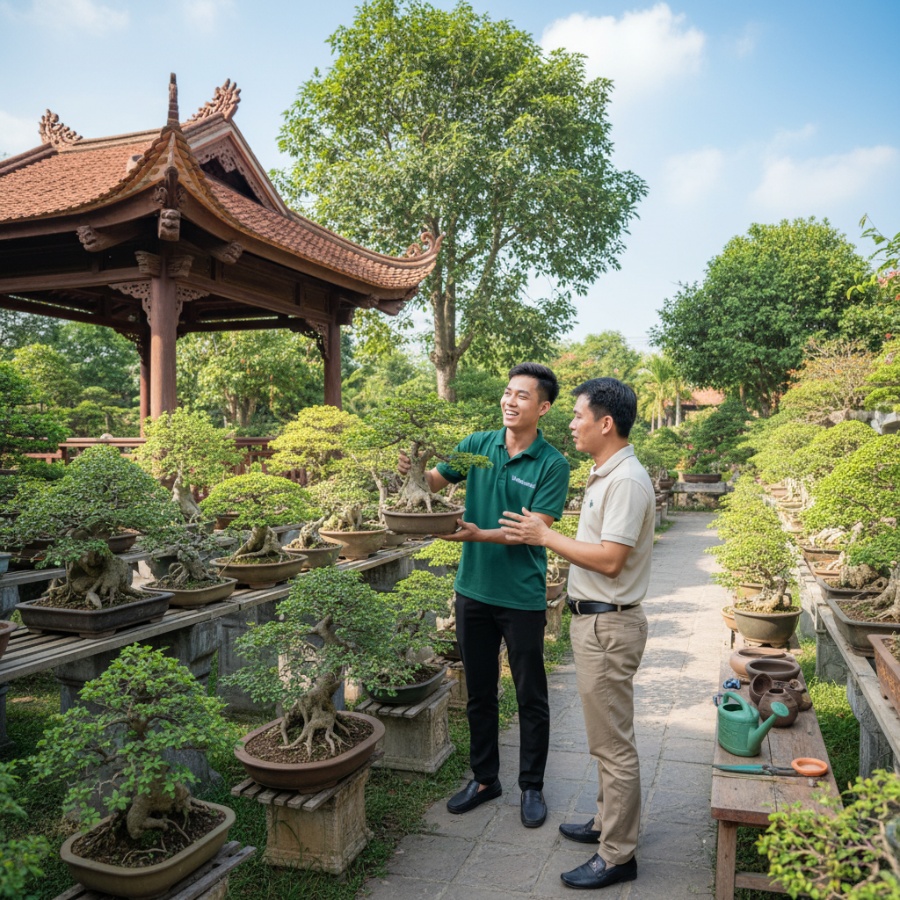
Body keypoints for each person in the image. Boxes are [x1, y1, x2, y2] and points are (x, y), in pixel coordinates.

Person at [500, 377, 654, 889]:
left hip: (609, 624)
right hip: (596, 621)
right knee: (604, 739)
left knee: (612, 745)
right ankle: (607, 823)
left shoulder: (626, 480)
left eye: (578, 415)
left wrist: (546, 536)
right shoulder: (604, 474)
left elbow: (611, 560)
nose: (570, 423)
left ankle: (617, 855)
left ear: (604, 423)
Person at [400, 362, 569, 828]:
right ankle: (484, 778)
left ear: (543, 407)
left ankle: (530, 786)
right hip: (472, 591)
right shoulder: (477, 445)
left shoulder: (553, 464)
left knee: (530, 694)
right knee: (479, 692)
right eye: (507, 393)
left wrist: (476, 534)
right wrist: (413, 470)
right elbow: (434, 481)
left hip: (522, 596)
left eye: (522, 396)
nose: (510, 401)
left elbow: (536, 532)